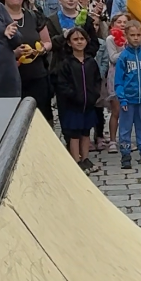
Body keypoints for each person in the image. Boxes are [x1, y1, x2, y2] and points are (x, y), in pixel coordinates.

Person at [0, 0, 53, 123]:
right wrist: (13, 54)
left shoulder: (34, 16)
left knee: (41, 118)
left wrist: (41, 50)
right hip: (10, 79)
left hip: (37, 77)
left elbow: (48, 43)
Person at [51, 25, 103, 172]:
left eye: (82, 39)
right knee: (74, 134)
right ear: (69, 43)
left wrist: (94, 95)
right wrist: (73, 96)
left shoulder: (90, 62)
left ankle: (86, 159)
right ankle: (76, 160)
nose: (79, 42)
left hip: (88, 104)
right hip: (73, 105)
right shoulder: (66, 63)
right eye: (75, 39)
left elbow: (97, 80)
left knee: (86, 132)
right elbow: (62, 84)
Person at [114, 19, 141, 169]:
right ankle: (125, 154)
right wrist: (122, 98)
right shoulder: (123, 57)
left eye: (138, 35)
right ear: (126, 35)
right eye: (132, 35)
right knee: (125, 128)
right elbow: (118, 81)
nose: (135, 38)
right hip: (128, 99)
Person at [102, 12, 128, 153]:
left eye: (125, 22)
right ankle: (113, 140)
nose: (122, 25)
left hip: (129, 75)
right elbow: (113, 58)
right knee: (116, 110)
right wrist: (127, 49)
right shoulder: (110, 39)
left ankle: (126, 139)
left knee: (128, 110)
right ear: (113, 24)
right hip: (116, 75)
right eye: (119, 22)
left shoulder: (131, 37)